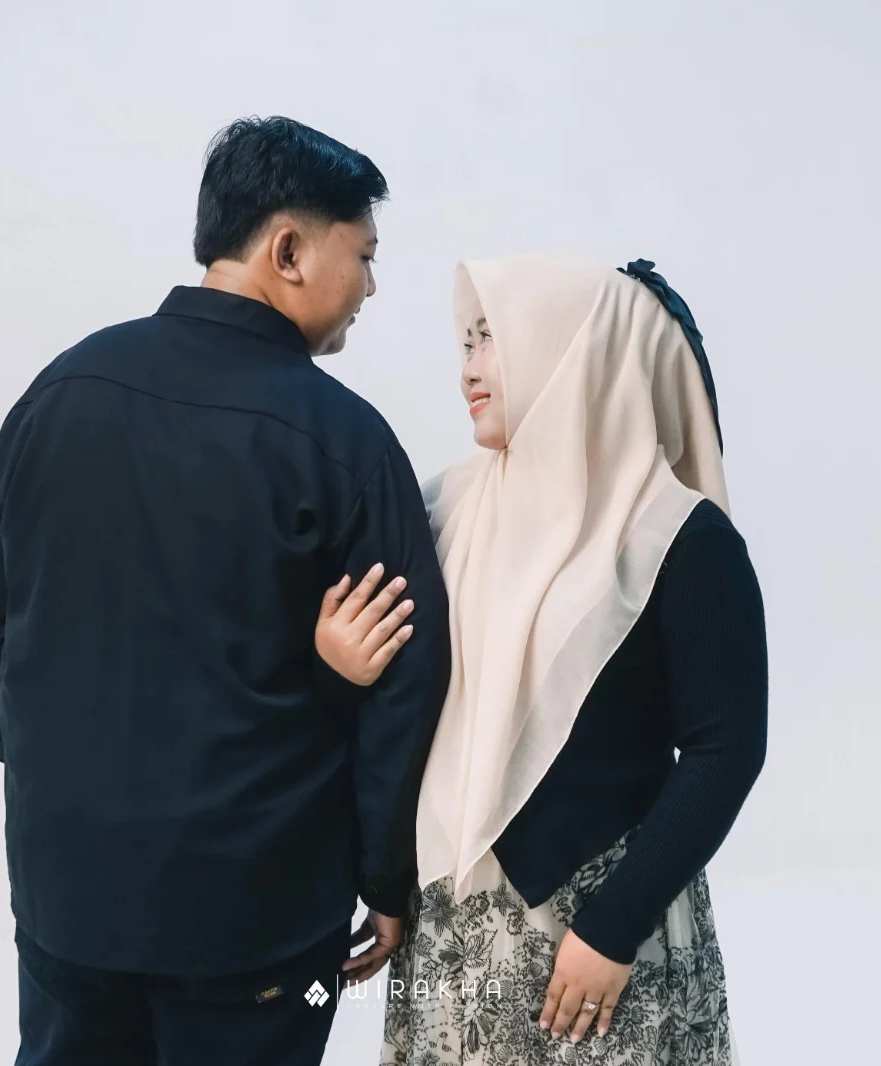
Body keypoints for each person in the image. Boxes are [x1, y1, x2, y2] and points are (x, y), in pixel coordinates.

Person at [0, 116, 451, 1066]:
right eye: (363, 255)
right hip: (261, 925)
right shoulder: (343, 443)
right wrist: (386, 880)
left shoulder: (57, 394)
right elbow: (407, 679)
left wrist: (38, 765)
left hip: (67, 899)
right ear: (288, 251)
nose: (371, 286)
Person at [316, 256, 768, 1064]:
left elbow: (726, 749)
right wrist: (335, 664)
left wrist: (614, 927)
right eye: (465, 343)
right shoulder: (438, 510)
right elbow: (400, 712)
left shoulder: (683, 538)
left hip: (605, 943)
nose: (469, 369)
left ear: (570, 349)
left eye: (493, 338)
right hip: (456, 935)